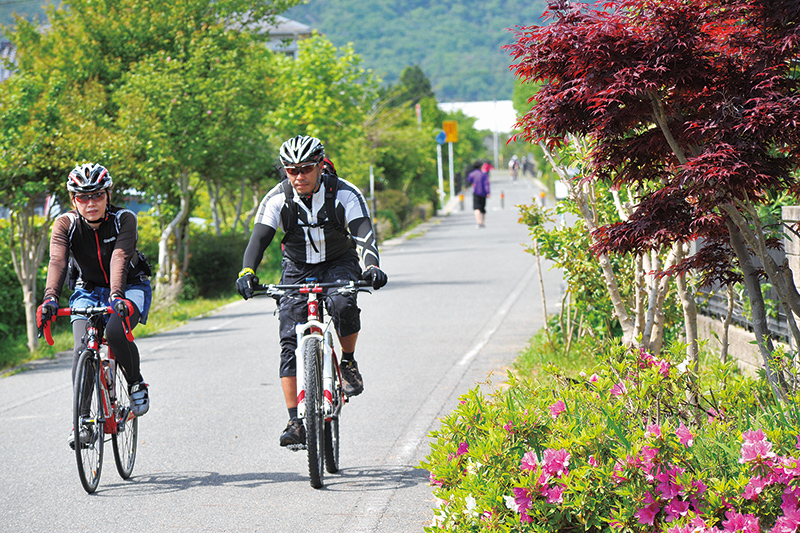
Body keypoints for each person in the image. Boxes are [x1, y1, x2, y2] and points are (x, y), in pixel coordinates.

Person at [236, 135, 388, 449]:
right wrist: (247, 271)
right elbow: (259, 239)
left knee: (343, 304)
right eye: (291, 170)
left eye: (306, 168)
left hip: (339, 261)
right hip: (297, 265)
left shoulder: (345, 193)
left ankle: (347, 362)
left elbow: (364, 236)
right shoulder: (277, 199)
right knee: (289, 339)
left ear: (320, 166)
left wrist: (371, 266)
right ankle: (295, 420)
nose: (299, 176)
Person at [36, 163, 153, 449]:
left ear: (107, 195)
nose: (91, 203)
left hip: (129, 286)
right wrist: (50, 297)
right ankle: (83, 422)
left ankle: (135, 381)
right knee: (81, 348)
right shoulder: (66, 224)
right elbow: (58, 262)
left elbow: (120, 257)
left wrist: (116, 294)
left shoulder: (124, 219)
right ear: (73, 199)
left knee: (114, 332)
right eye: (83, 197)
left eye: (97, 195)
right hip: (87, 289)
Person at [467, 161, 491, 228]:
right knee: (482, 208)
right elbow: (486, 184)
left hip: (476, 192)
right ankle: (482, 222)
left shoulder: (472, 174)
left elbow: (468, 181)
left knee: (476, 208)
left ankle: (478, 222)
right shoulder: (484, 174)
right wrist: (488, 192)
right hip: (483, 193)